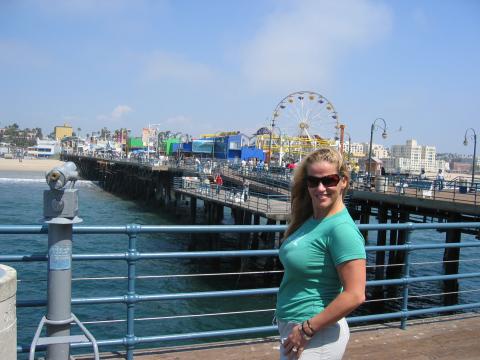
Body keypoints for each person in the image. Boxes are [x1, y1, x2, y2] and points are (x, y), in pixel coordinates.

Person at [276, 147, 366, 360]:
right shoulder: (312, 219)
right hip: (296, 330)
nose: (321, 188)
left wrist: (306, 329)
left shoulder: (342, 229)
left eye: (329, 180)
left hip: (316, 335)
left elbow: (355, 294)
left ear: (343, 181)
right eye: (313, 181)